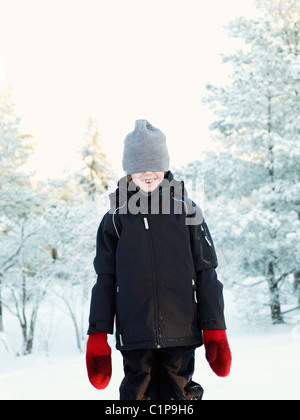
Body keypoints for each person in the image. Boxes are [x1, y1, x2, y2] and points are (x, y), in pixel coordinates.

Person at [86, 120, 232, 400]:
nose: (148, 173)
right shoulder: (115, 219)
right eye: (139, 167)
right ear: (129, 172)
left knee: (181, 394)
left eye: (154, 165)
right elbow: (104, 279)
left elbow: (207, 271)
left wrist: (215, 327)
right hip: (134, 333)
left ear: (165, 166)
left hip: (182, 329)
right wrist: (98, 334)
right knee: (136, 394)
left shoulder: (187, 211)